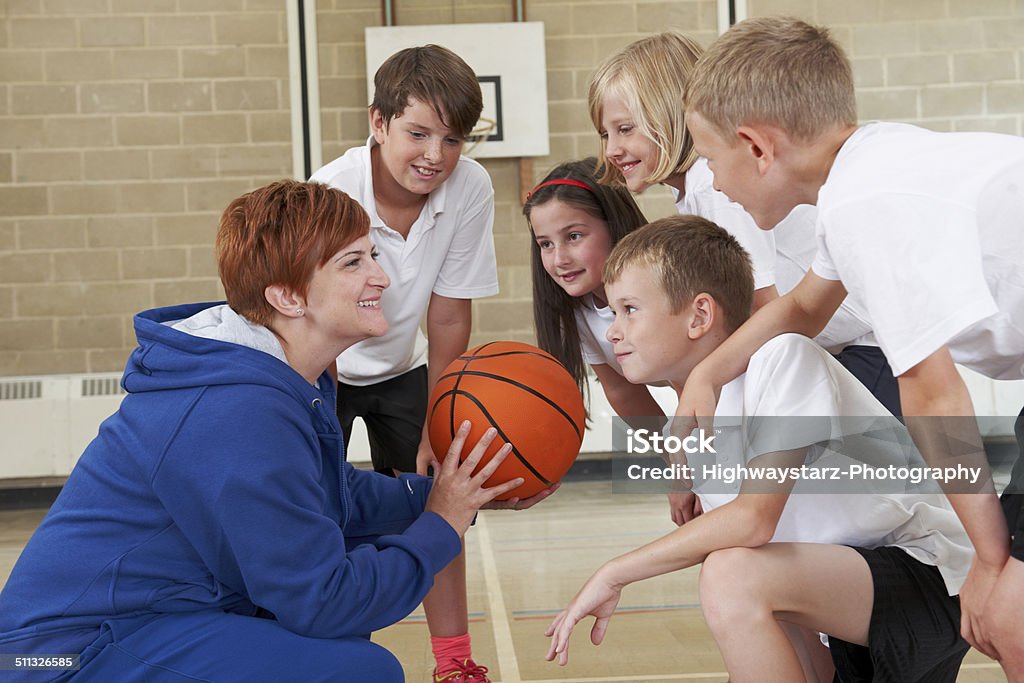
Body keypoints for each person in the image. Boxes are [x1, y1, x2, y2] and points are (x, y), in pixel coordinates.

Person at [0, 181, 549, 682]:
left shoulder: (272, 377)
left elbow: (328, 497)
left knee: (337, 637)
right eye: (353, 262)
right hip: (54, 655)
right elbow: (325, 599)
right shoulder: (237, 410)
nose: (381, 276)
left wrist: (458, 495)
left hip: (143, 618)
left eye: (374, 256)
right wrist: (441, 523)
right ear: (287, 297)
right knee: (356, 670)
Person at [677, 16, 1024, 679]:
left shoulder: (867, 204)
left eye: (709, 157)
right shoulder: (867, 168)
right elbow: (806, 306)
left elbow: (931, 388)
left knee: (1007, 609)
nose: (713, 182)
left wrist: (984, 558)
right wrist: (711, 374)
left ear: (756, 147)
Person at [545, 216, 974, 682]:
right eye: (612, 313)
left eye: (630, 309)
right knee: (732, 564)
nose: (613, 332)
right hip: (843, 604)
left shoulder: (782, 357)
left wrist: (614, 572)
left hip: (929, 578)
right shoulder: (694, 423)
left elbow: (753, 519)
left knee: (732, 570)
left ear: (699, 316)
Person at [309, 45, 500, 680]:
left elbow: (449, 315)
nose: (435, 156)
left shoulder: (469, 187)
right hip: (321, 367)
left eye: (453, 140)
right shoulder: (330, 191)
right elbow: (315, 321)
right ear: (378, 122)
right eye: (418, 133)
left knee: (441, 501)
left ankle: (454, 664)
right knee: (321, 513)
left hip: (409, 370)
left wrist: (437, 421)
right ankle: (331, 653)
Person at [588, 31, 902, 416]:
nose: (611, 150)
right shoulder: (695, 189)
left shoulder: (713, 184)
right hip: (834, 348)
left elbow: (761, 305)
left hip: (862, 353)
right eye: (605, 134)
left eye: (625, 129)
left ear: (668, 113)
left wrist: (708, 381)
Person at [525, 158, 699, 526]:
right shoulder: (579, 307)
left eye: (574, 236)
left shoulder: (661, 284)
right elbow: (624, 393)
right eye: (545, 244)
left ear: (613, 225)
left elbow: (694, 382)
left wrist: (690, 465)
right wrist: (673, 460)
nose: (559, 259)